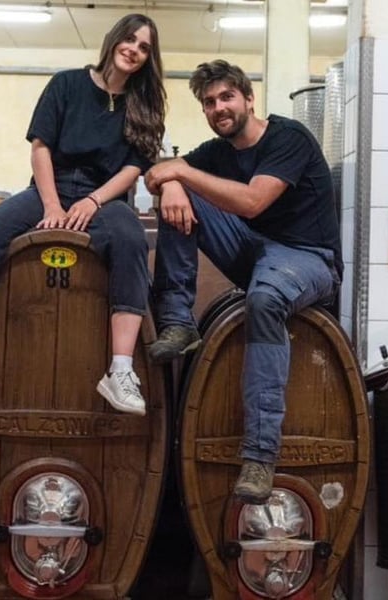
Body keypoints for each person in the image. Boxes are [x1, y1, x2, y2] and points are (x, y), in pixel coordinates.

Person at [0, 13, 167, 417]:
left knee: (130, 239)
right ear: (114, 40)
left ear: (148, 58)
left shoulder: (143, 105)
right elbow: (41, 147)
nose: (134, 50)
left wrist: (93, 201)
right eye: (130, 39)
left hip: (105, 197)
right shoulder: (67, 84)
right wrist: (53, 204)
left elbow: (133, 169)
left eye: (144, 47)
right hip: (48, 187)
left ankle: (121, 371)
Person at [144, 60, 342, 503]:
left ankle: (259, 455)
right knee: (180, 194)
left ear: (249, 99)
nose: (219, 108)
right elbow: (157, 171)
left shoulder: (288, 138)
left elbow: (253, 202)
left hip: (309, 258)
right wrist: (173, 183)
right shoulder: (217, 152)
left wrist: (180, 174)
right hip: (256, 251)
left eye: (227, 97)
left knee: (265, 300)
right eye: (209, 102)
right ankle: (178, 322)